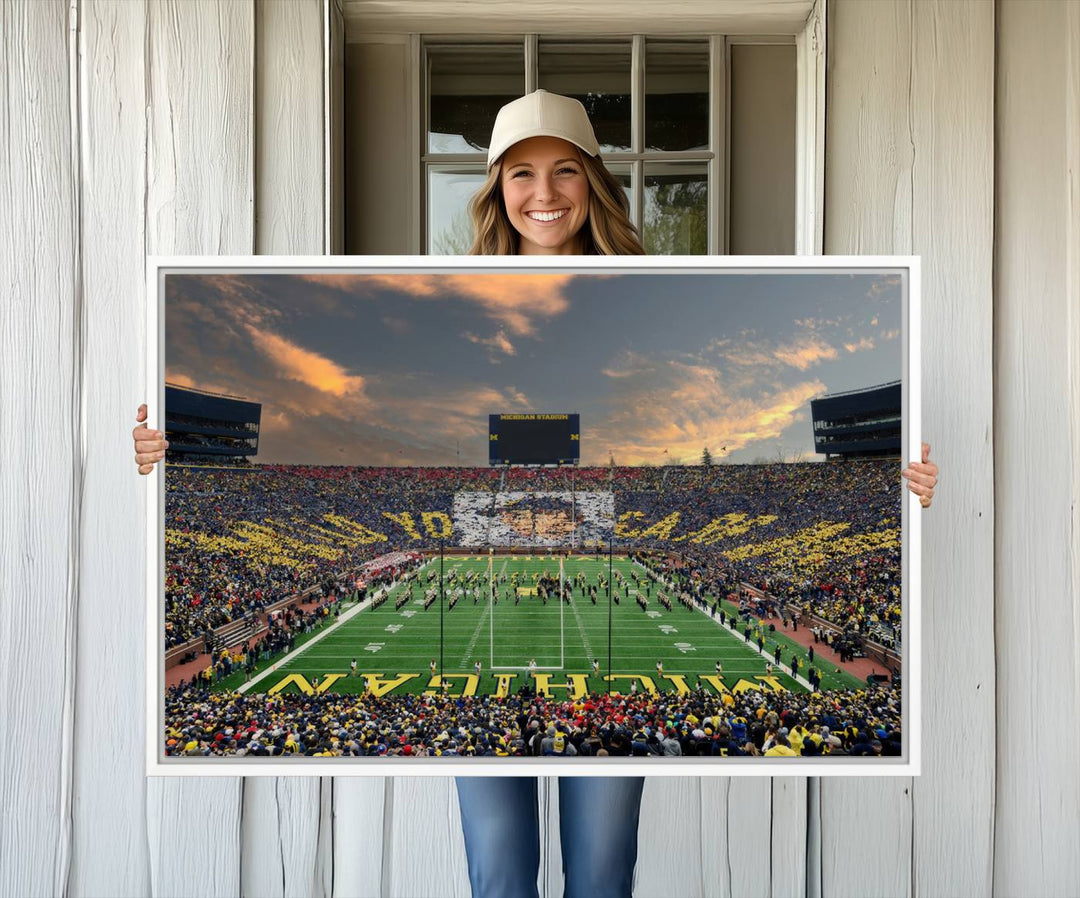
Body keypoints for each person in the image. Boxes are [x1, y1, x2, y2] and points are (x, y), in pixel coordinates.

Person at [132, 89, 939, 898]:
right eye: (521, 173)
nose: (544, 193)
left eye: (564, 171)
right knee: (500, 871)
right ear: (495, 189)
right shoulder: (452, 292)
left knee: (599, 871)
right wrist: (165, 460)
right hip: (478, 496)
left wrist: (891, 489)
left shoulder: (650, 294)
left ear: (593, 181)